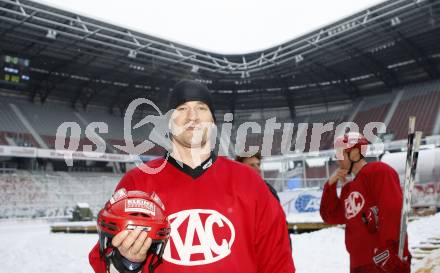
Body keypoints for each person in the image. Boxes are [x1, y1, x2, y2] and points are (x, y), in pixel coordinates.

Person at [89, 80, 295, 273]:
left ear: (213, 121)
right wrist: (127, 261)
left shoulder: (249, 181)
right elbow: (103, 259)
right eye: (182, 109)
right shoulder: (138, 182)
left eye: (201, 108)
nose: (192, 116)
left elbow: (278, 261)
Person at [319, 132, 411, 273]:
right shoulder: (348, 188)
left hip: (382, 262)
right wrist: (330, 186)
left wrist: (388, 252)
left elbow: (393, 211)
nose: (337, 159)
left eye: (340, 154)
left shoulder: (378, 171)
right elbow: (330, 216)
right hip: (358, 265)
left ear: (355, 153)